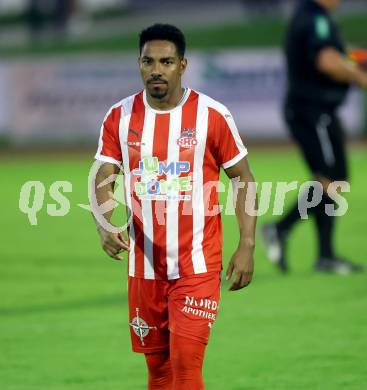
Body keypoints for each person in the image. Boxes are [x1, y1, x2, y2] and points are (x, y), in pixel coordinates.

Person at [91, 24, 256, 389]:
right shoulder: (120, 117)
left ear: (183, 65)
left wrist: (246, 244)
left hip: (197, 266)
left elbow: (243, 179)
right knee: (160, 373)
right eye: (148, 61)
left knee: (186, 367)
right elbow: (103, 175)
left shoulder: (211, 115)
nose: (156, 70)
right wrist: (104, 222)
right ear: (139, 64)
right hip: (144, 268)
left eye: (166, 61)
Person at [262, 0, 367, 274]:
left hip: (319, 111)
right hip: (311, 110)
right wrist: (360, 77)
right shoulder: (315, 18)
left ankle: (322, 255)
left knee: (334, 180)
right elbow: (326, 60)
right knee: (330, 180)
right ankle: (283, 231)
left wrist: (355, 59)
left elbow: (337, 54)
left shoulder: (314, 17)